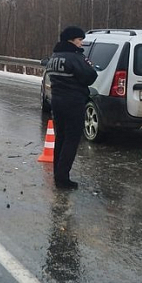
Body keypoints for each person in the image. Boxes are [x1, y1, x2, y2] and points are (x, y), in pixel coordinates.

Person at [45, 26, 98, 189]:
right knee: (71, 140)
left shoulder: (54, 56)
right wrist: (88, 65)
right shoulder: (75, 58)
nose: (81, 44)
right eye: (79, 40)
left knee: (60, 139)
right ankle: (63, 179)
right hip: (73, 102)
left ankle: (58, 174)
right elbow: (90, 76)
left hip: (57, 101)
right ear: (71, 40)